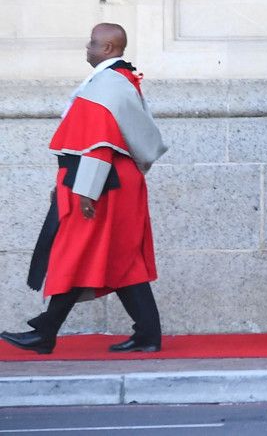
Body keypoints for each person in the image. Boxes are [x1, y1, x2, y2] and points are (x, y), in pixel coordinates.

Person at [3, 23, 167, 355]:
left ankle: (45, 333)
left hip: (101, 185)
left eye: (93, 43)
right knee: (122, 258)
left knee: (77, 253)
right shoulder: (115, 80)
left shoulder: (106, 85)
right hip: (107, 182)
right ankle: (148, 334)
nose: (87, 47)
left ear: (108, 48)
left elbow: (98, 143)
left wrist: (85, 191)